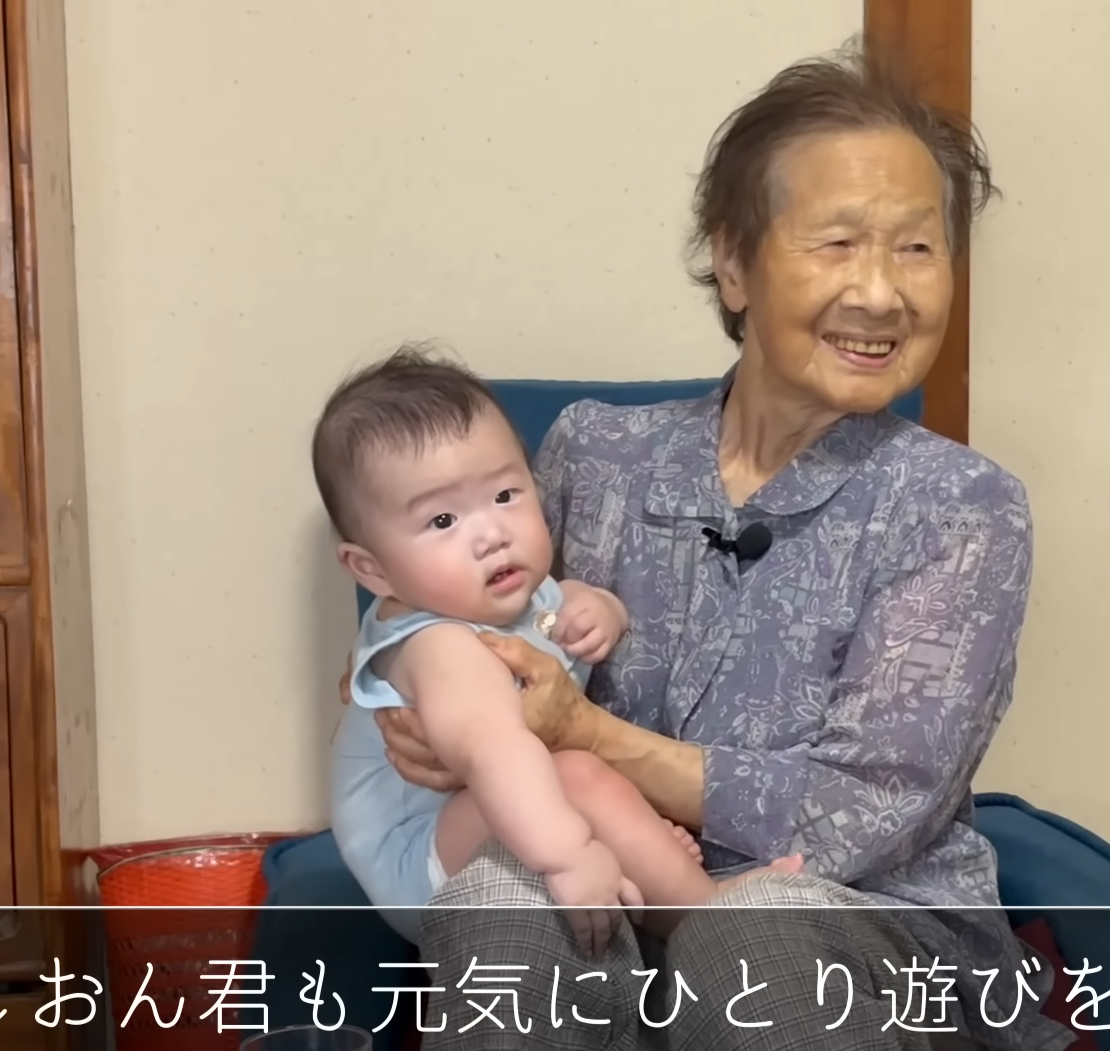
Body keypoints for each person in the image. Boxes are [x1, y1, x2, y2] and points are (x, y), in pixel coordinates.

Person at [360, 40, 1075, 1051]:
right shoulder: (594, 454)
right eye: (839, 243)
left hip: (862, 935)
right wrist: (424, 713)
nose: (883, 293)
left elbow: (864, 815)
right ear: (733, 263)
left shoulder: (960, 507)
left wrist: (586, 736)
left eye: (918, 249)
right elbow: (457, 622)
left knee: (754, 935)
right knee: (497, 903)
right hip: (610, 886)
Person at [314, 348, 803, 958]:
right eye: (442, 520)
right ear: (372, 570)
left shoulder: (505, 597)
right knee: (574, 775)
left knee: (577, 777)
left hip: (493, 812)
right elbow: (494, 749)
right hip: (421, 861)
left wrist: (599, 606)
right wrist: (571, 855)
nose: (491, 533)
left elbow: (550, 609)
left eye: (504, 494)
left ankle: (664, 870)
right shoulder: (434, 644)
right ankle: (703, 915)